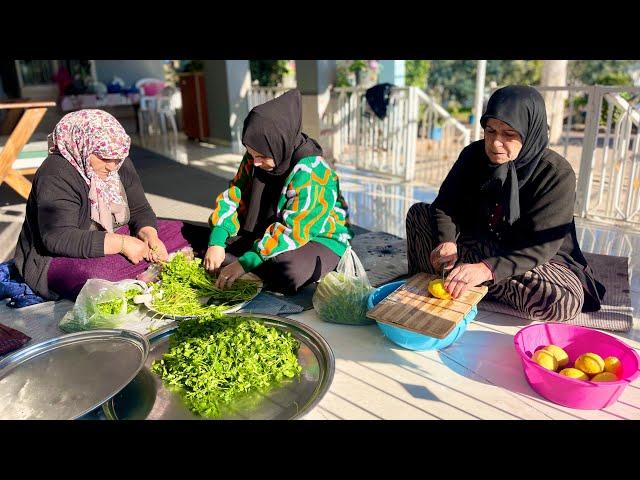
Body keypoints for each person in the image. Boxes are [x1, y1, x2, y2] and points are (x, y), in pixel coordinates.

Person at [406, 85, 605, 322]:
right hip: (481, 243)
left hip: (530, 259)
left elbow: (541, 247)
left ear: (530, 131)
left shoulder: (556, 174)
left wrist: (486, 269)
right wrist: (447, 241)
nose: (495, 143)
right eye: (490, 131)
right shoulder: (473, 155)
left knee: (563, 300)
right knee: (418, 214)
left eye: (509, 134)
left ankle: (470, 280)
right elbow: (445, 205)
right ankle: (466, 279)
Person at [8, 109, 208, 303]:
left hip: (116, 235)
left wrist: (150, 236)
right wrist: (122, 244)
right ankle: (151, 268)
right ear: (82, 145)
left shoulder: (118, 162)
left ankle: (147, 267)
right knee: (96, 278)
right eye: (104, 158)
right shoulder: (55, 173)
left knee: (189, 231)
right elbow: (57, 238)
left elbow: (139, 210)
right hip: (58, 255)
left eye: (117, 158)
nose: (112, 166)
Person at [204, 89, 353, 295]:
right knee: (214, 242)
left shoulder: (312, 171)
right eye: (251, 154)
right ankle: (249, 260)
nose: (255, 162)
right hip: (270, 228)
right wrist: (216, 241)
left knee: (287, 272)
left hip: (320, 237)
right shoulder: (256, 154)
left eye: (262, 156)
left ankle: (248, 261)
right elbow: (233, 195)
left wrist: (244, 263)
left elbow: (296, 229)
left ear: (279, 144)